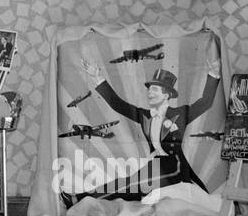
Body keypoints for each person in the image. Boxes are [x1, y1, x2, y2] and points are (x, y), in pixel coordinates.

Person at [68, 56, 222, 204]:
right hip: (157, 164)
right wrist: (98, 77)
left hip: (175, 167)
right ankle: (78, 198)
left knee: (131, 186)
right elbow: (117, 104)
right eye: (149, 89)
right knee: (126, 183)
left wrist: (213, 73)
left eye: (154, 89)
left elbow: (205, 102)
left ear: (167, 94)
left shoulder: (180, 113)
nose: (149, 93)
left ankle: (78, 199)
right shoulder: (145, 115)